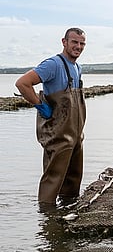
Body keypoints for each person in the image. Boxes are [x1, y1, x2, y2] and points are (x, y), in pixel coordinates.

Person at [15, 27, 87, 207]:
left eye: (82, 43)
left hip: (76, 136)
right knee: (53, 179)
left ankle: (67, 211)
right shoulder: (53, 64)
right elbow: (23, 83)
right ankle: (46, 218)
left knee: (73, 180)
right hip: (59, 135)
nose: (78, 46)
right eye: (74, 42)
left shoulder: (77, 67)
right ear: (64, 42)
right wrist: (40, 105)